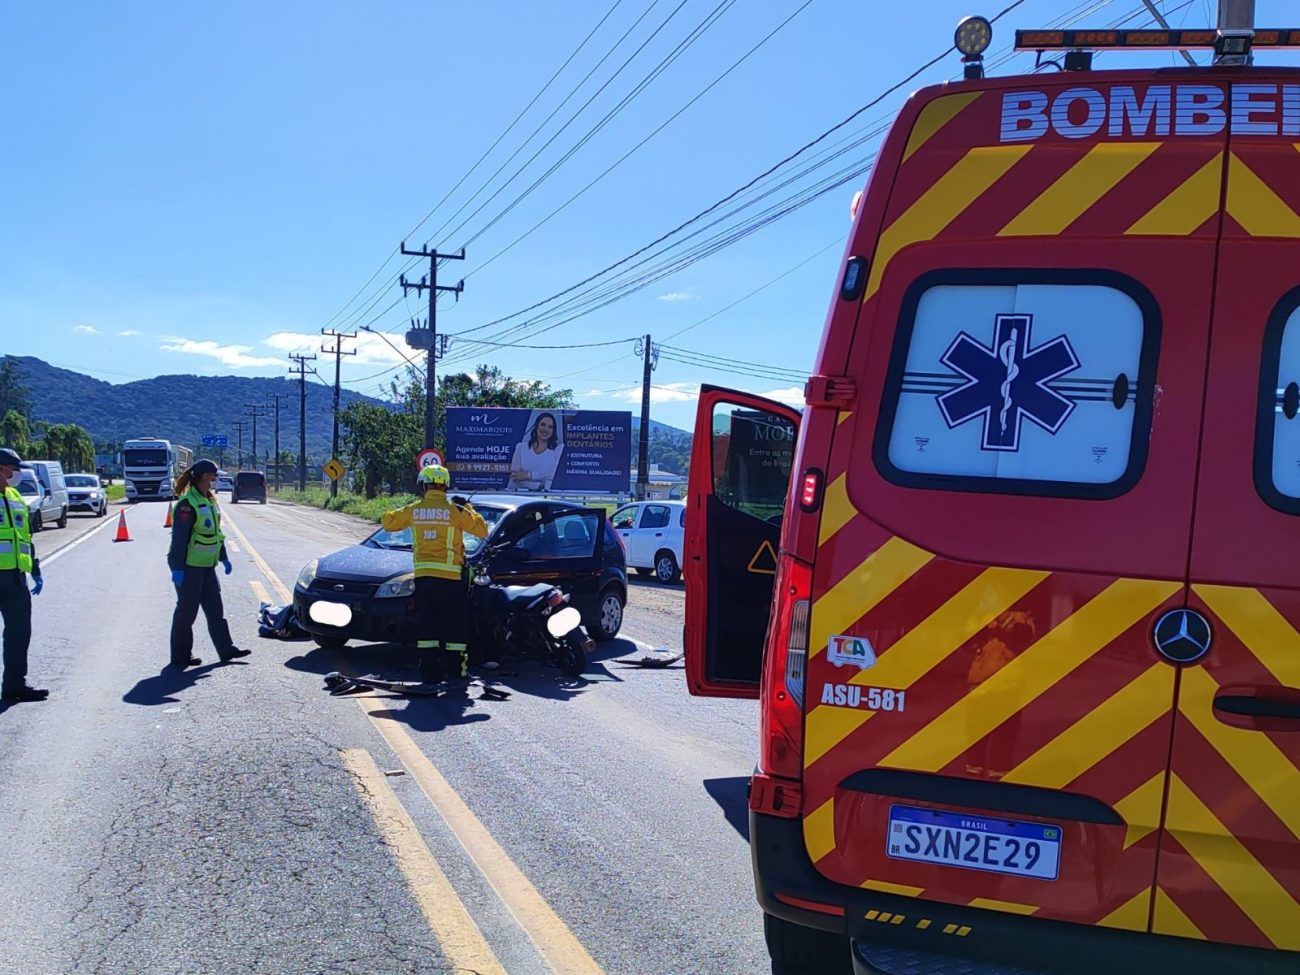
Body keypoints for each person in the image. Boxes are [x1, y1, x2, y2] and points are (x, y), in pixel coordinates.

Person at [381, 464, 488, 683]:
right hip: (451, 580)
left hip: (424, 578)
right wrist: (468, 507)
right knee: (454, 627)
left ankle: (429, 672)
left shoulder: (415, 509)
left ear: (424, 485)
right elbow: (481, 530)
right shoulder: (455, 510)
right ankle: (455, 671)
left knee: (427, 626)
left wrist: (409, 508)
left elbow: (388, 522)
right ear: (445, 485)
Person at [168, 459, 249, 668]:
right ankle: (180, 657)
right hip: (189, 567)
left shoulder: (209, 500)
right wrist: (177, 568)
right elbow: (179, 539)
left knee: (215, 610)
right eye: (214, 474)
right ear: (205, 476)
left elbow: (215, 534)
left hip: (207, 566)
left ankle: (226, 650)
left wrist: (223, 557)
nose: (216, 477)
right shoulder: (187, 504)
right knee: (187, 613)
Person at [0, 448, 46, 703]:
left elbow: (24, 537)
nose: (16, 474)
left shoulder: (15, 496)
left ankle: (14, 686)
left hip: (15, 578)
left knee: (19, 634)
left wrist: (35, 569)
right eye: (13, 469)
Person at [509, 412, 562, 491]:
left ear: (553, 431)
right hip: (521, 495)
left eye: (550, 427)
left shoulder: (558, 450)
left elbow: (553, 475)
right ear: (536, 426)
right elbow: (515, 476)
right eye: (543, 425)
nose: (546, 429)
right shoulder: (521, 447)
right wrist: (538, 485)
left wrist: (529, 475)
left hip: (547, 497)